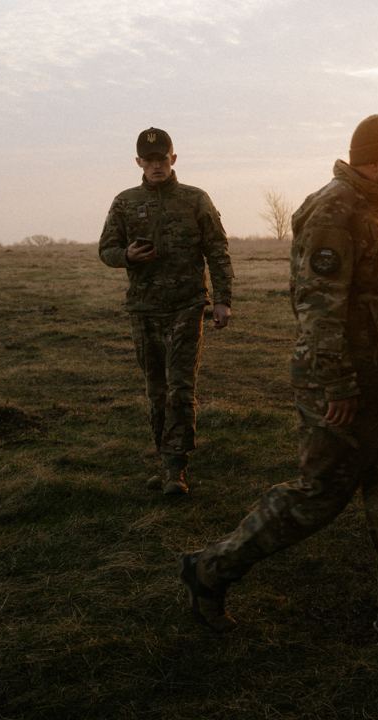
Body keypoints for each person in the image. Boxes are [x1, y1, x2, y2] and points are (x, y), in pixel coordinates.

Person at [179, 115, 378, 635]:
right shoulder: (335, 211)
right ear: (376, 160)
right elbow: (317, 306)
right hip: (342, 388)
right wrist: (337, 384)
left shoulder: (367, 208)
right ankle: (209, 569)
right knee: (318, 497)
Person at [98, 127, 234, 495]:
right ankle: (164, 458)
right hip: (143, 310)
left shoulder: (195, 199)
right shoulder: (125, 202)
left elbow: (218, 251)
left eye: (163, 159)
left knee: (180, 387)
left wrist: (222, 300)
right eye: (149, 160)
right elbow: (107, 249)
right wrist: (126, 255)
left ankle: (177, 468)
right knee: (156, 389)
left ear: (173, 159)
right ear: (139, 162)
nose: (157, 166)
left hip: (187, 306)